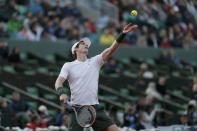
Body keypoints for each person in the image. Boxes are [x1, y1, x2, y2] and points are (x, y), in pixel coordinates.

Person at [55, 23, 138, 131]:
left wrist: (122, 34)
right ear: (75, 50)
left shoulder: (95, 61)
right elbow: (58, 82)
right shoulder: (68, 65)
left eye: (86, 44)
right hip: (77, 109)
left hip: (95, 108)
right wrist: (62, 93)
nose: (86, 44)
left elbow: (110, 50)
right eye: (82, 44)